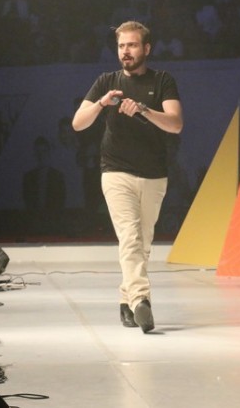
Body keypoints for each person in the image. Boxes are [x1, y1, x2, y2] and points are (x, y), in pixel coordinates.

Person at [71, 20, 184, 333]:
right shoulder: (106, 81)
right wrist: (101, 103)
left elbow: (175, 124)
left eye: (132, 45)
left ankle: (126, 300)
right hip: (115, 171)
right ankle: (141, 300)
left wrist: (144, 110)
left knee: (142, 242)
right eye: (121, 46)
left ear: (146, 48)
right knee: (131, 237)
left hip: (154, 173)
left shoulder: (162, 80)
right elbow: (78, 123)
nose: (125, 51)